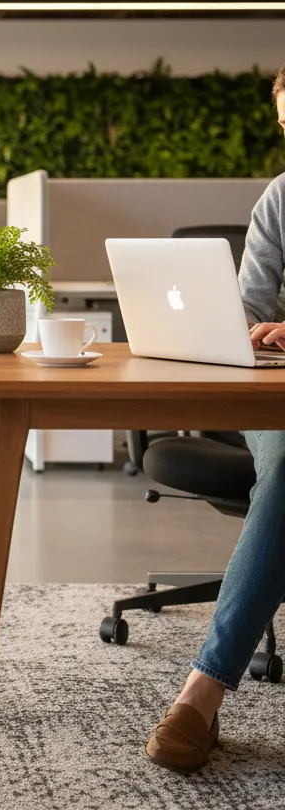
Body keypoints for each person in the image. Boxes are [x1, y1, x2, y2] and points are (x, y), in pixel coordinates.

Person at [146, 63, 285, 770]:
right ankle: (203, 693)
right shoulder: (281, 199)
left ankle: (201, 691)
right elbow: (249, 308)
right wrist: (255, 326)